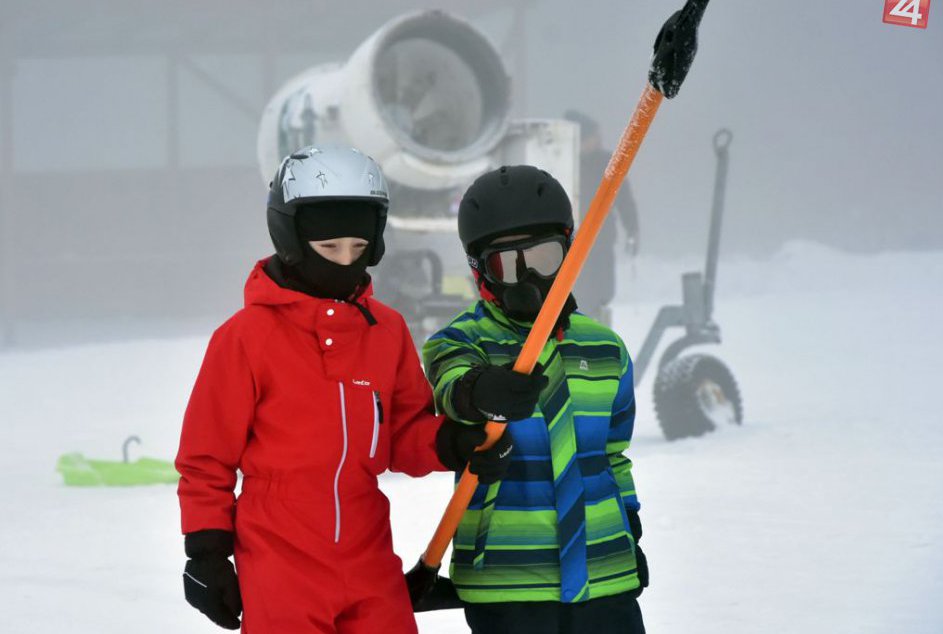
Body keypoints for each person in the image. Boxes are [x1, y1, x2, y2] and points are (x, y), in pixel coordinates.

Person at [175, 145, 513, 633]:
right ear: (291, 239)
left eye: (358, 248)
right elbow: (206, 457)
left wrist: (450, 442)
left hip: (367, 551)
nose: (345, 262)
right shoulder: (244, 338)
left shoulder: (386, 330)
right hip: (278, 554)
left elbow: (402, 433)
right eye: (329, 249)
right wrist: (207, 552)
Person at [422, 165, 649, 634]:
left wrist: (629, 525)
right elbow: (451, 384)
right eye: (506, 263)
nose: (527, 277)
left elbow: (613, 454)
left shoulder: (604, 349)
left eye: (544, 257)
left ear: (570, 251)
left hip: (605, 573)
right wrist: (480, 390)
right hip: (508, 584)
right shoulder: (462, 341)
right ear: (479, 270)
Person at [564, 110, 641, 325]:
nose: (598, 141)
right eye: (593, 137)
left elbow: (624, 199)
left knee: (604, 292)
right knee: (578, 295)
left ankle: (599, 334)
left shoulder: (609, 163)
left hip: (601, 241)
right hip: (570, 245)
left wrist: (632, 229)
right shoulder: (562, 164)